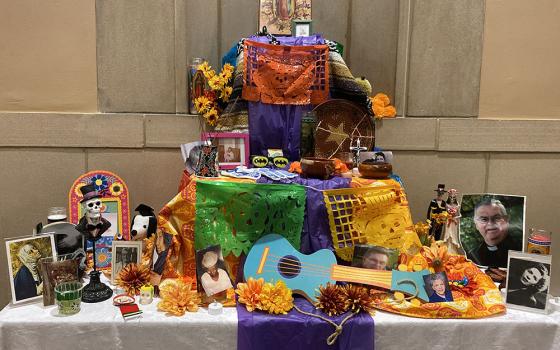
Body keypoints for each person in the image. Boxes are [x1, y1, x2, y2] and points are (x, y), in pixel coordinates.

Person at [468, 198, 521, 267]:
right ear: (476, 225)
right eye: (484, 219)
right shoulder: (472, 256)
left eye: (497, 218)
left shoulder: (521, 247)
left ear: (507, 220)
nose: (490, 223)